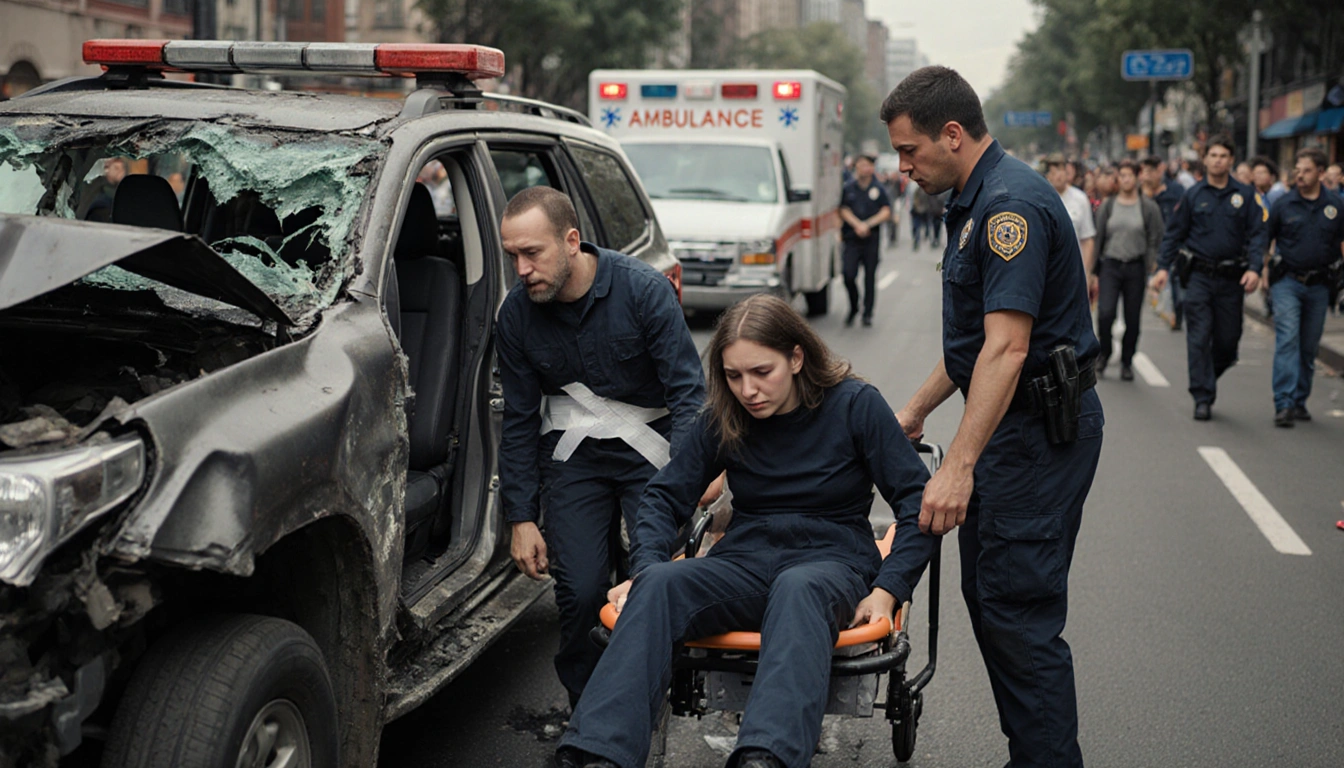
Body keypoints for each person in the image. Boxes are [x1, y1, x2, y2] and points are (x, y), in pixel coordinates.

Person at [555, 295, 937, 768]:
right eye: (734, 376)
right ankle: (598, 753)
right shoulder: (726, 416)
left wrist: (887, 590)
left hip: (831, 560)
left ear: (796, 358)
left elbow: (919, 504)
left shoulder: (855, 406)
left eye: (761, 372)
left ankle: (765, 757)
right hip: (746, 561)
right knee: (656, 583)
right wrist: (645, 566)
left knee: (799, 587)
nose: (748, 389)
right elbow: (662, 495)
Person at [884, 65, 1104, 768]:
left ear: (952, 135)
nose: (902, 165)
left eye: (909, 150)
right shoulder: (974, 200)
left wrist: (961, 467)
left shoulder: (1009, 209)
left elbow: (1008, 351)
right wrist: (911, 414)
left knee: (1017, 610)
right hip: (1015, 421)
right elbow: (975, 347)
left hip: (1035, 431)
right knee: (991, 597)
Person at [495, 186, 706, 711]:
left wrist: (687, 484)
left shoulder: (643, 291)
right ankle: (587, 711)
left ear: (571, 241)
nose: (521, 269)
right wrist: (521, 518)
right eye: (512, 256)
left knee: (650, 580)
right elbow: (519, 420)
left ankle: (646, 696)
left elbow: (688, 396)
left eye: (532, 253)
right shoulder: (517, 315)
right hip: (574, 459)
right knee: (582, 591)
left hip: (651, 454)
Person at [1151, 134, 1268, 420]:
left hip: (1232, 279)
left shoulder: (1246, 195)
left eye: (1223, 156)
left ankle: (1209, 376)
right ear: (1205, 159)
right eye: (1213, 155)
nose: (1217, 160)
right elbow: (1174, 234)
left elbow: (1257, 235)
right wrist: (1162, 268)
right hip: (1199, 277)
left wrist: (1255, 268)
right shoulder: (1193, 195)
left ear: (1231, 160)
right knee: (1199, 337)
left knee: (1228, 342)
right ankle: (1201, 395)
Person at [1264, 148, 1344, 427]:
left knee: (1308, 347)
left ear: (1321, 173)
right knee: (1287, 339)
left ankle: (1299, 400)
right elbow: (1265, 239)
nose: (1300, 175)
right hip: (1287, 281)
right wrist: (1261, 271)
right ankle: (1283, 403)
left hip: (1320, 286)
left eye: (1306, 170)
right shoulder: (1283, 204)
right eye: (1297, 169)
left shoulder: (1335, 205)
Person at [1093, 159, 1164, 380]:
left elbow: (1156, 236)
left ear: (1137, 178)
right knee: (1105, 313)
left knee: (1132, 319)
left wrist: (1152, 263)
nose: (1125, 179)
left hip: (1135, 267)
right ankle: (1104, 352)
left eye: (1129, 175)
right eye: (1121, 175)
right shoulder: (1108, 205)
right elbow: (1098, 238)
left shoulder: (1147, 207)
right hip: (1110, 266)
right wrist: (1092, 270)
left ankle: (1127, 360)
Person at [838, 154, 893, 327]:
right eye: (861, 165)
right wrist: (857, 225)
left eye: (868, 165)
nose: (864, 168)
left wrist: (868, 225)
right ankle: (854, 306)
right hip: (852, 239)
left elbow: (886, 211)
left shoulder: (879, 188)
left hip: (871, 240)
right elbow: (843, 209)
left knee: (870, 277)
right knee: (848, 275)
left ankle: (867, 313)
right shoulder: (849, 188)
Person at [1141, 155, 1187, 329]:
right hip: (1151, 245)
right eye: (1145, 172)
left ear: (1160, 170)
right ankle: (1168, 311)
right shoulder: (1141, 194)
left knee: (1176, 283)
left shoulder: (1176, 191)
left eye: (1151, 171)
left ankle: (1177, 312)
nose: (1148, 176)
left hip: (1174, 244)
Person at [1045, 154, 1098, 300]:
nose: (1059, 176)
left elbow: (1087, 239)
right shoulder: (1042, 198)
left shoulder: (1080, 199)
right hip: (1049, 271)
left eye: (1062, 170)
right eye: (1054, 172)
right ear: (1048, 175)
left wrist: (1086, 272)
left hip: (1074, 271)